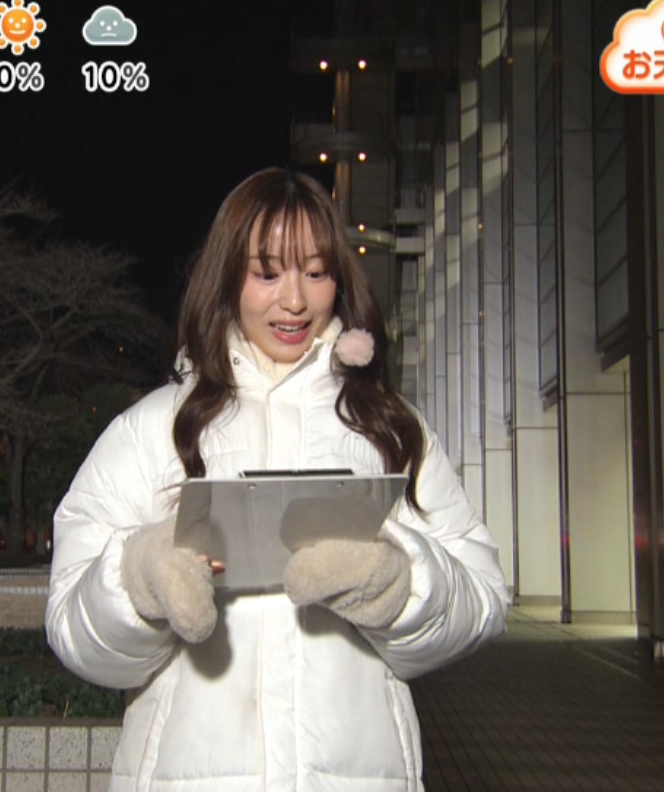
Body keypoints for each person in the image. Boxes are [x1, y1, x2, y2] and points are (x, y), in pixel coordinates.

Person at [45, 168, 510, 791]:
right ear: (227, 276)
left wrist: (401, 584)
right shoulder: (152, 429)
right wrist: (137, 580)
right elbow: (71, 630)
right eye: (267, 274)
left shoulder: (389, 427)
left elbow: (484, 597)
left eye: (316, 273)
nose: (295, 301)